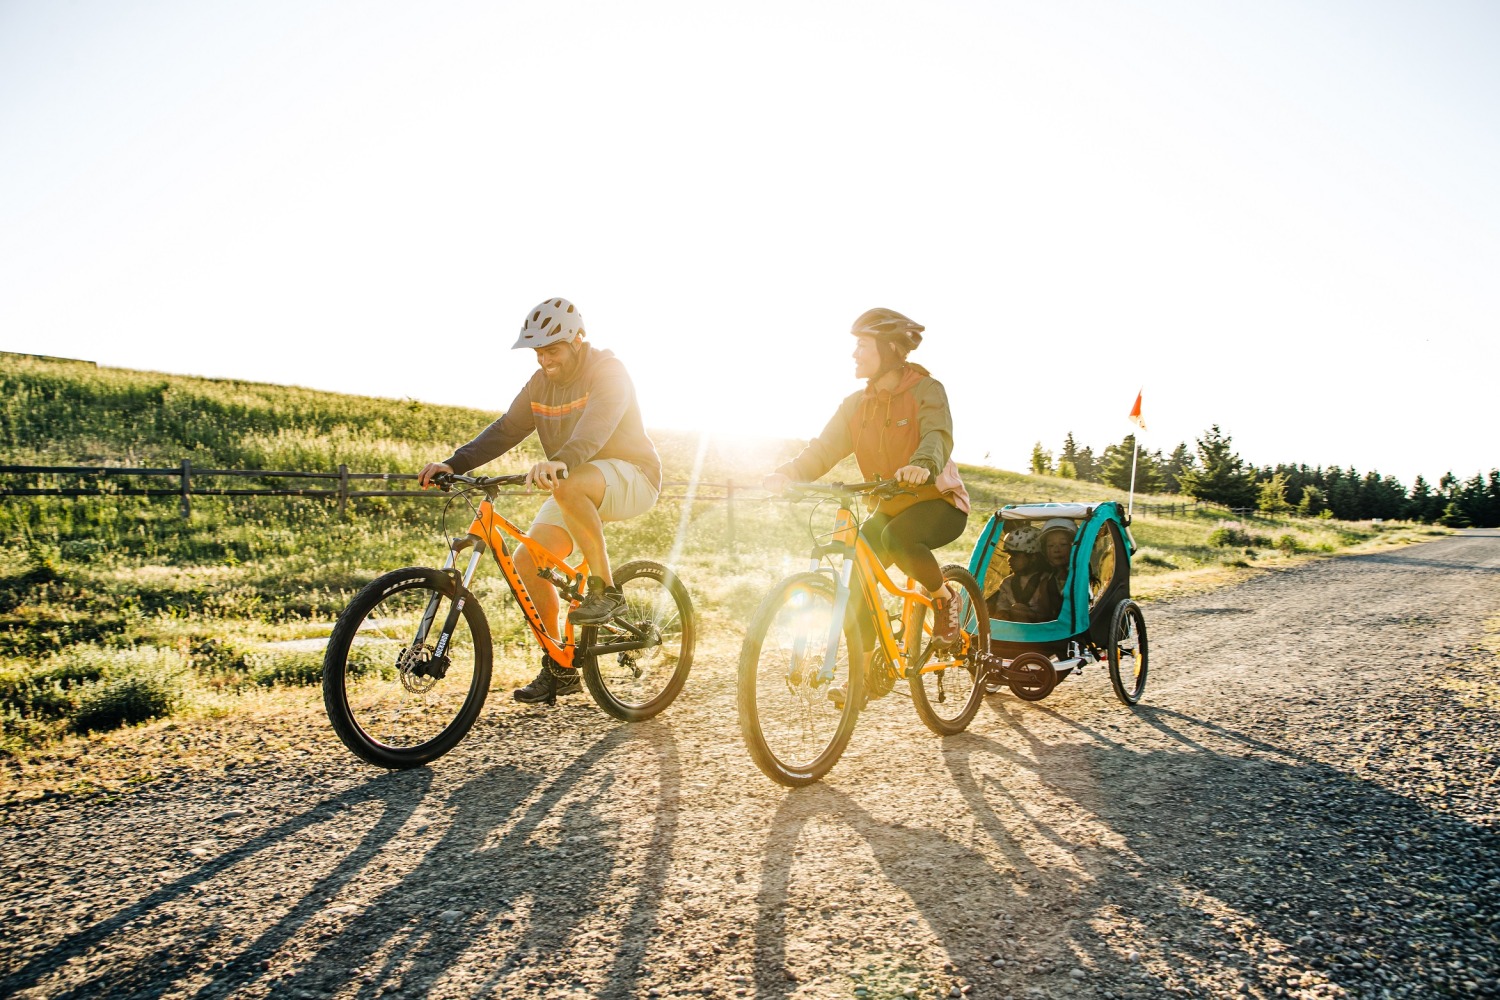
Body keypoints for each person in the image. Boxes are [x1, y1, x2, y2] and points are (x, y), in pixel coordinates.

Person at [418, 298, 662, 705]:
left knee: (566, 487)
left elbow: (597, 426)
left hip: (632, 474)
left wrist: (561, 461)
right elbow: (505, 430)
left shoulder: (608, 371)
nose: (545, 360)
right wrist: (453, 462)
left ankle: (607, 591)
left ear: (578, 340)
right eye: (538, 352)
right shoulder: (539, 385)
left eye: (553, 350)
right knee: (527, 561)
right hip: (576, 481)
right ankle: (559, 666)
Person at [762, 307, 970, 705]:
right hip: (890, 506)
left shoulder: (928, 391)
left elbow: (937, 436)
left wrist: (922, 465)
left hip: (937, 502)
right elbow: (823, 449)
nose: (854, 355)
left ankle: (944, 597)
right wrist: (789, 473)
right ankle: (867, 674)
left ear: (890, 350)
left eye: (862, 346)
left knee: (899, 537)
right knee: (854, 574)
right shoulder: (855, 404)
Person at [987, 525, 1055, 623]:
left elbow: (1048, 613)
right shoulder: (1007, 583)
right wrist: (1002, 613)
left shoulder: (1046, 580)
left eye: (1014, 555)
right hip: (1013, 630)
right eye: (1009, 555)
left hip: (1038, 630)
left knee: (1017, 609)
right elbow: (1002, 606)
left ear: (1033, 557)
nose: (1009, 559)